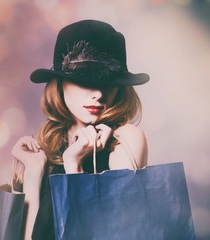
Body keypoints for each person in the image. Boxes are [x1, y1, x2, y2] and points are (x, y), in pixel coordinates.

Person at [11, 19, 150, 240]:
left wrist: (73, 167)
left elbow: (117, 232)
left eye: (108, 82)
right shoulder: (50, 144)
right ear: (60, 83)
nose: (98, 93)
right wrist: (33, 173)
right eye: (84, 80)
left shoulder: (125, 139)